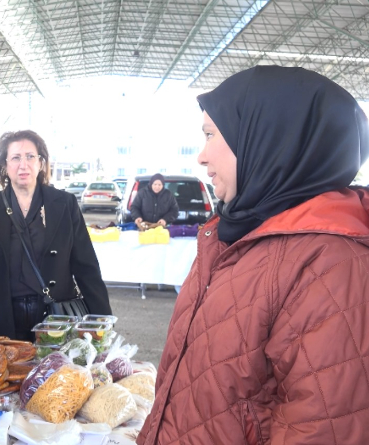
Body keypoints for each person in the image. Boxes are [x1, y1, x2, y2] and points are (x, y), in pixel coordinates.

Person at [138, 66, 369, 445]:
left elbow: (322, 426)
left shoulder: (331, 267)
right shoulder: (229, 236)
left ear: (269, 139)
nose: (201, 155)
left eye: (211, 135)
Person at [0, 130, 112, 341]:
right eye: (15, 157)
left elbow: (86, 265)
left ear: (41, 163)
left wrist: (102, 320)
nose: (23, 164)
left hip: (55, 318)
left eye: (30, 156)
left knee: (56, 373)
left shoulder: (65, 204)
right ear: (5, 165)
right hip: (2, 318)